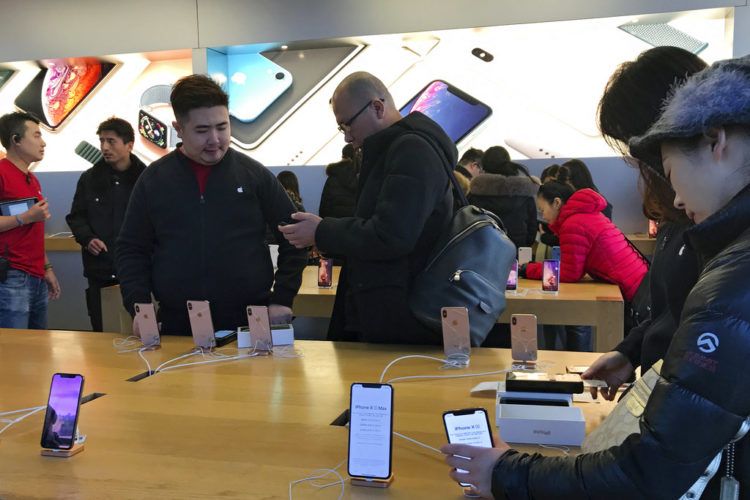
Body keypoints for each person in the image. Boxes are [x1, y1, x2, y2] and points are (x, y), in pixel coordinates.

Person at [443, 54, 750, 500]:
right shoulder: (721, 248)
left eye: (663, 166)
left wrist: (508, 475)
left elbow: (648, 473)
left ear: (713, 140)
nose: (677, 199)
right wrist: (632, 349)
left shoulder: (732, 278)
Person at [116, 75, 307, 334]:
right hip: (178, 322)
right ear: (179, 128)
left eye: (222, 126)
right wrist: (138, 305)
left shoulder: (253, 175)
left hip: (250, 321)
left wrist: (282, 298)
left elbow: (295, 239)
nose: (215, 139)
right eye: (202, 130)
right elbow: (131, 248)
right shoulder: (154, 179)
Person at [278, 71, 454, 344]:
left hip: (402, 313)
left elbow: (391, 235)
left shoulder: (412, 150)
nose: (347, 137)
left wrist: (322, 230)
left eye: (348, 125)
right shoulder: (399, 148)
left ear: (377, 107)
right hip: (390, 304)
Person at [584, 45, 707, 387]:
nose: (643, 165)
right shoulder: (679, 216)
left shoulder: (721, 229)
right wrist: (630, 352)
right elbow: (669, 312)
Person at [522, 167, 648, 311]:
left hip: (629, 290)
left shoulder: (573, 224)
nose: (543, 216)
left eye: (542, 210)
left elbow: (570, 273)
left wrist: (528, 269)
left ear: (556, 203)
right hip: (637, 281)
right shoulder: (585, 215)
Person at [66, 118, 147, 332]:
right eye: (101, 141)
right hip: (101, 271)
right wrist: (87, 238)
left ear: (129, 144)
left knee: (146, 335)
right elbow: (76, 217)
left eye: (111, 141)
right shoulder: (89, 179)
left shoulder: (146, 178)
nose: (104, 147)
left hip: (140, 273)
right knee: (103, 338)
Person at [0, 112, 60, 329]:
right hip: (11, 278)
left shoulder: (31, 178)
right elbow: (27, 220)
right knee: (15, 353)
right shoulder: (2, 172)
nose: (42, 143)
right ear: (16, 140)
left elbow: (33, 231)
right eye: (36, 135)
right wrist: (25, 217)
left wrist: (47, 268)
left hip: (36, 276)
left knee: (38, 349)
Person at [467, 160, 538, 248]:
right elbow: (532, 226)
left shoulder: (474, 194)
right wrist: (525, 244)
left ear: (485, 168)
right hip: (518, 248)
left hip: (483, 249)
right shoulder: (525, 194)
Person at [319, 144, 358, 218]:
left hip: (335, 224)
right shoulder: (364, 175)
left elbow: (324, 207)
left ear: (343, 156)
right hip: (357, 225)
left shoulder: (333, 176)